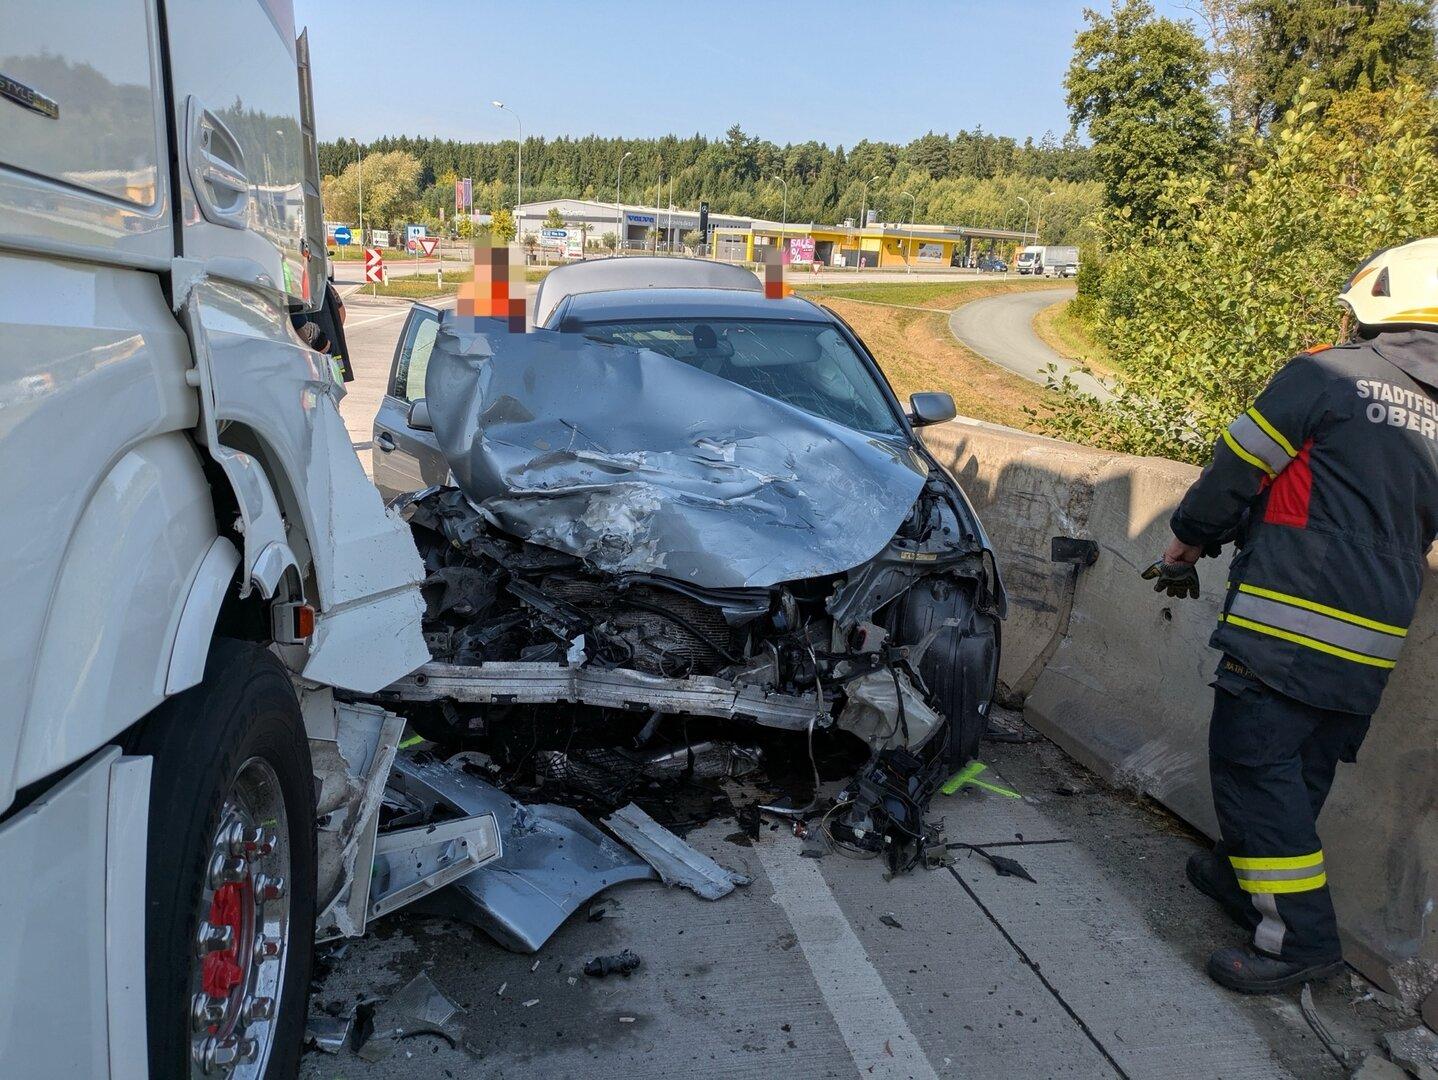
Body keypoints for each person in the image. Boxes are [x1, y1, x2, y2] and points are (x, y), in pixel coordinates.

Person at [1143, 238, 1438, 993]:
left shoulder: (1325, 374)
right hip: (1371, 640)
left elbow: (1239, 464)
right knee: (1298, 770)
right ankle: (1244, 883)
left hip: (1287, 623)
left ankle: (1301, 943)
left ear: (1378, 305)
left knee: (1252, 770)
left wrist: (1187, 542)